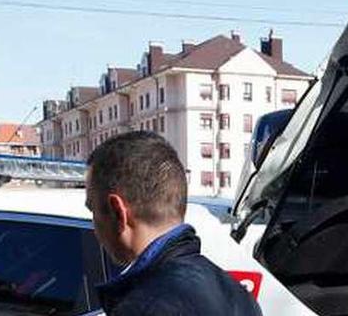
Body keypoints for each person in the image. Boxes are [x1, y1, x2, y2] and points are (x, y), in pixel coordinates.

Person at [85, 131, 261, 315]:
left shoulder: (140, 308)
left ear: (117, 212)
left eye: (92, 210)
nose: (95, 227)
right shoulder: (239, 295)